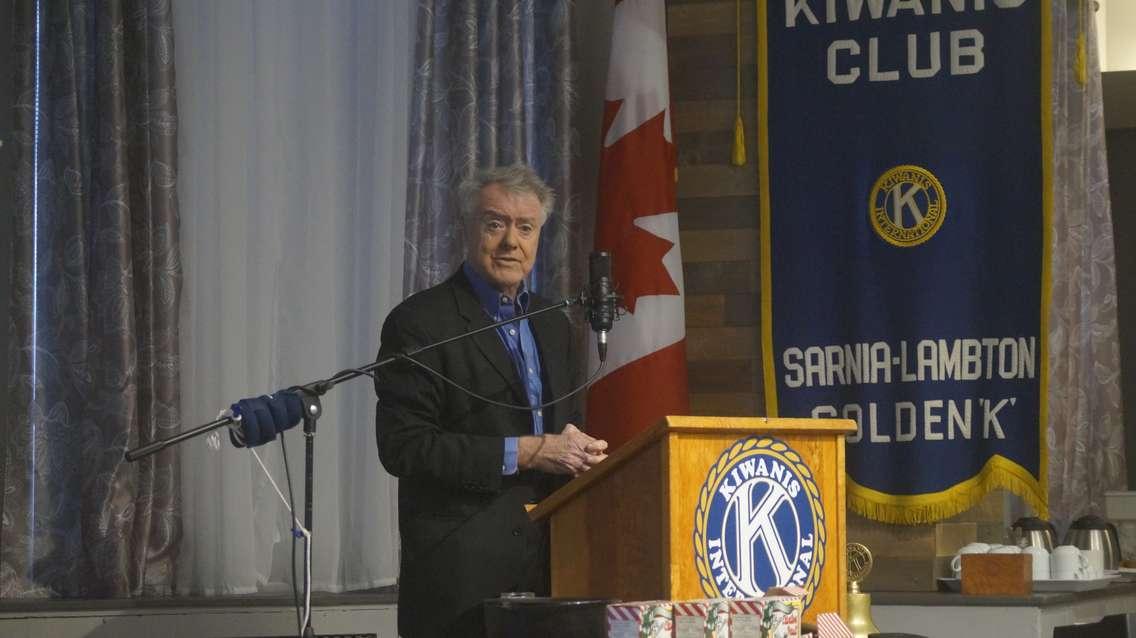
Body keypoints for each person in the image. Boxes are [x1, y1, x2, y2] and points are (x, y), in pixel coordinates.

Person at [374, 164, 609, 637]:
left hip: (551, 570)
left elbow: (564, 426)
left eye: (525, 228)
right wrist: (526, 451)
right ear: (468, 229)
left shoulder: (552, 323)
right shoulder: (419, 323)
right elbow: (404, 447)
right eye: (495, 223)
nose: (511, 242)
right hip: (460, 579)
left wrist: (578, 447)